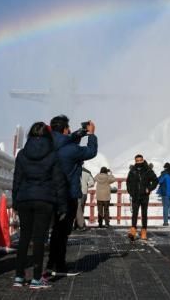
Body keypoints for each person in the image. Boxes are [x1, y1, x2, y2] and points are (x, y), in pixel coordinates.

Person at [12, 122, 67, 289]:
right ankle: (36, 279)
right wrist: (63, 206)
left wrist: (15, 200)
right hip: (44, 200)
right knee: (39, 239)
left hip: (25, 199)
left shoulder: (22, 155)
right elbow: (59, 182)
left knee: (24, 238)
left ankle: (19, 276)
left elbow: (17, 180)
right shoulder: (52, 155)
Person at [46, 115, 97, 274]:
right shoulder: (70, 149)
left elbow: (66, 139)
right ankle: (59, 265)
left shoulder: (46, 144)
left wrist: (80, 132)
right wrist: (91, 135)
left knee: (54, 231)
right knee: (63, 232)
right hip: (68, 194)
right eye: (68, 128)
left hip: (48, 193)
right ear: (64, 129)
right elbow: (90, 151)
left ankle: (50, 264)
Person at [126, 154, 158, 240]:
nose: (139, 162)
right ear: (135, 161)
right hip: (135, 196)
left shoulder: (148, 170)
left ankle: (144, 232)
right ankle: (133, 231)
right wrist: (131, 192)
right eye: (137, 161)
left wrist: (149, 188)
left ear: (143, 160)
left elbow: (155, 180)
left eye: (140, 160)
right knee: (134, 214)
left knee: (144, 214)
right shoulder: (132, 170)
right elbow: (128, 182)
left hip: (144, 196)